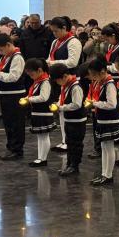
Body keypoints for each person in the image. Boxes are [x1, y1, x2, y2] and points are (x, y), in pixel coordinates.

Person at [47, 16, 83, 152]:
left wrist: (53, 63)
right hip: (58, 79)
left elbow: (72, 62)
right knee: (61, 110)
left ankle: (69, 140)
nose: (54, 34)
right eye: (52, 31)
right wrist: (47, 63)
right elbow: (50, 57)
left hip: (70, 79)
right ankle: (64, 140)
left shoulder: (74, 41)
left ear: (64, 28)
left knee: (68, 110)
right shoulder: (55, 42)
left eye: (56, 31)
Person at [0, 33, 26, 160]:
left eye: (1, 50)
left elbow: (13, 77)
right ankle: (11, 147)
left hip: (15, 94)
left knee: (16, 123)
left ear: (8, 45)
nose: (0, 53)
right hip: (5, 94)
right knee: (8, 123)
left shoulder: (17, 57)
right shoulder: (4, 58)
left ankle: (17, 150)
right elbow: (1, 76)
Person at [87, 57, 119, 186]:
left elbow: (112, 104)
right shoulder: (101, 83)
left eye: (94, 74)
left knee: (109, 147)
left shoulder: (109, 84)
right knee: (104, 147)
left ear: (102, 71)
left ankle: (108, 175)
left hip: (109, 119)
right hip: (102, 119)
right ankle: (104, 174)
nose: (93, 77)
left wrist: (95, 103)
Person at [50, 63, 85, 177]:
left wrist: (61, 107)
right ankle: (69, 163)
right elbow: (62, 99)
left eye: (58, 80)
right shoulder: (65, 85)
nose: (57, 83)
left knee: (76, 144)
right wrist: (57, 105)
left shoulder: (75, 87)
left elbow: (77, 104)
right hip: (69, 119)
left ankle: (74, 165)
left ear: (65, 76)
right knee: (69, 142)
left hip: (77, 120)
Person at [23, 58, 56, 167]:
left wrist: (29, 99)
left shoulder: (45, 82)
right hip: (37, 112)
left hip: (44, 112)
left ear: (39, 70)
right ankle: (40, 157)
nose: (30, 76)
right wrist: (27, 98)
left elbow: (43, 97)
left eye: (31, 74)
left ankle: (43, 159)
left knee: (44, 136)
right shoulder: (38, 82)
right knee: (40, 137)